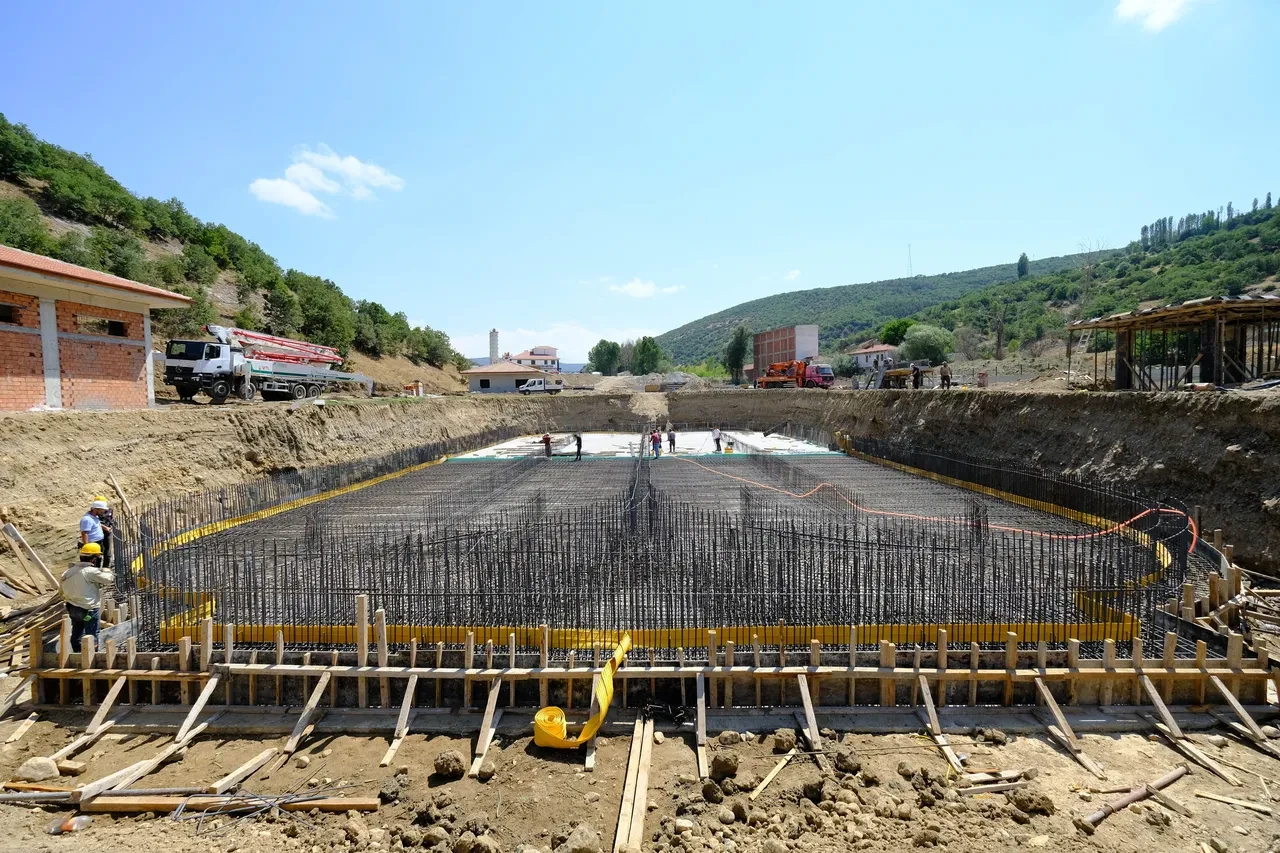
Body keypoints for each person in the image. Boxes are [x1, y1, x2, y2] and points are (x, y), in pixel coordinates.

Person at [61, 542, 113, 648]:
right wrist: (107, 570)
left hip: (73, 608)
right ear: (93, 559)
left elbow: (61, 591)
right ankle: (91, 658)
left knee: (77, 632)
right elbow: (108, 579)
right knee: (92, 636)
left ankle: (78, 655)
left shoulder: (67, 572)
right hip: (89, 609)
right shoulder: (91, 572)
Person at [80, 499, 111, 568]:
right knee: (93, 563)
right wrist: (87, 547)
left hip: (98, 542)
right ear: (96, 509)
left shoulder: (95, 517)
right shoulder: (87, 519)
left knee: (98, 560)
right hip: (92, 544)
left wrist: (106, 528)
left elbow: (97, 524)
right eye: (102, 510)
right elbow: (84, 533)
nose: (104, 511)